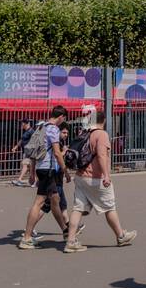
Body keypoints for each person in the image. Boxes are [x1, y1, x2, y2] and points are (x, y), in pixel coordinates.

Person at [64, 109, 136, 253]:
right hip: (95, 178)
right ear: (104, 120)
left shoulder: (85, 133)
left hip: (80, 176)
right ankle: (121, 236)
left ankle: (71, 241)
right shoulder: (101, 135)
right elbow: (102, 155)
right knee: (109, 207)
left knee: (78, 208)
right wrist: (106, 175)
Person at [18, 106, 71, 249]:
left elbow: (35, 151)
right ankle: (27, 237)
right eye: (64, 118)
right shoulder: (53, 129)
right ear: (61, 116)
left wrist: (33, 173)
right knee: (39, 202)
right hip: (48, 169)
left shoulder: (41, 126)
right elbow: (57, 153)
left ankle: (66, 231)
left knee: (55, 200)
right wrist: (65, 171)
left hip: (42, 167)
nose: (63, 122)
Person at [10, 119, 36, 187]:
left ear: (25, 124)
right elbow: (22, 140)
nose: (21, 125)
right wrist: (15, 147)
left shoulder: (31, 131)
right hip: (26, 151)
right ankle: (31, 181)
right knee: (28, 166)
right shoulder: (26, 131)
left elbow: (35, 140)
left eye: (22, 123)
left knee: (26, 165)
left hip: (30, 152)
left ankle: (21, 180)